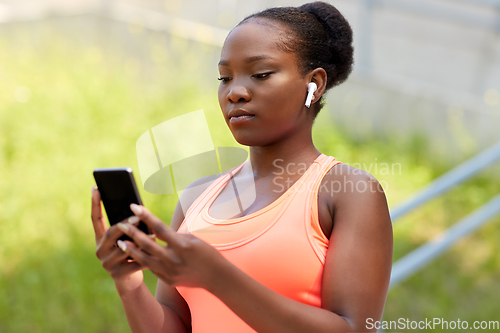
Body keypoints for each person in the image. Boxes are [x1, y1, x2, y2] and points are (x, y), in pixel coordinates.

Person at [90, 2, 393, 332]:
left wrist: (218, 277)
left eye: (260, 74)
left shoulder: (348, 193)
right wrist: (130, 283)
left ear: (314, 84)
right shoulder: (197, 198)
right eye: (225, 77)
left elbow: (354, 328)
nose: (235, 92)